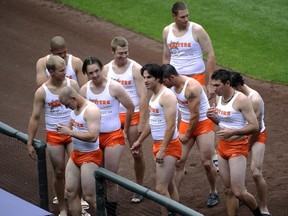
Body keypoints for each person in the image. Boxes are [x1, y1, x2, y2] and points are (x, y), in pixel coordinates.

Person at [81, 56, 134, 216]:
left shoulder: (114, 87)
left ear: (101, 69)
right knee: (99, 176)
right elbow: (79, 112)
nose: (95, 75)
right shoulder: (84, 90)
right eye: (91, 73)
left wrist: (124, 131)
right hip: (94, 138)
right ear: (86, 74)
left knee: (110, 177)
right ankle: (102, 208)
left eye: (97, 71)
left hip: (113, 136)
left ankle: (111, 213)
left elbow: (130, 107)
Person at [27, 55, 80, 216]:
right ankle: (63, 207)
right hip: (54, 135)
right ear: (51, 71)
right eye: (62, 70)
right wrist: (29, 142)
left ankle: (76, 203)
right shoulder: (42, 92)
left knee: (76, 168)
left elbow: (81, 108)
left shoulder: (72, 85)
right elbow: (35, 117)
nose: (66, 72)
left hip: (72, 133)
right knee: (58, 172)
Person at [161, 63, 219, 208]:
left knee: (206, 162)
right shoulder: (171, 88)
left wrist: (186, 135)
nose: (163, 84)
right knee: (179, 162)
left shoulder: (191, 87)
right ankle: (174, 199)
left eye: (164, 80)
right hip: (187, 123)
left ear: (172, 77)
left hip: (203, 122)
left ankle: (213, 191)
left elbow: (195, 115)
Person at [206, 69, 262, 216]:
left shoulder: (242, 100)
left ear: (227, 83)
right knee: (228, 190)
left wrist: (233, 133)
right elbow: (224, 123)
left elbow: (255, 126)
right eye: (213, 85)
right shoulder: (219, 98)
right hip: (222, 146)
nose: (214, 89)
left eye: (217, 85)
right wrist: (212, 118)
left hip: (237, 147)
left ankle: (258, 213)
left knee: (239, 191)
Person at [131, 63, 182, 216]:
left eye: (149, 77)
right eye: (144, 77)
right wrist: (140, 141)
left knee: (160, 189)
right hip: (159, 145)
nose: (145, 80)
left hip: (168, 146)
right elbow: (152, 121)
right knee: (170, 185)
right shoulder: (154, 95)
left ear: (158, 78)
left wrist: (162, 149)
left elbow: (171, 126)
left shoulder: (166, 96)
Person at [103, 36, 148, 203]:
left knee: (136, 152)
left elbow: (143, 96)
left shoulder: (136, 68)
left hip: (134, 113)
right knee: (106, 152)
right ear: (112, 51)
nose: (123, 56)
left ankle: (139, 187)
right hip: (114, 115)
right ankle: (106, 185)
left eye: (126, 52)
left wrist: (143, 121)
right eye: (120, 53)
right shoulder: (106, 70)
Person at [230, 72, 271, 216]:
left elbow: (257, 127)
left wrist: (246, 147)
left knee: (256, 173)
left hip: (256, 135)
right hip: (241, 134)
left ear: (239, 85)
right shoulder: (232, 96)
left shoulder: (254, 99)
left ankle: (264, 208)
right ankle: (242, 193)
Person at [57, 86, 102, 216]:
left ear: (73, 98)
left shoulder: (91, 110)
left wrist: (70, 132)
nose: (66, 108)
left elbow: (93, 137)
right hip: (76, 154)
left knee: (90, 197)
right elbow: (72, 126)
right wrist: (63, 129)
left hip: (90, 156)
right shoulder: (75, 109)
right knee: (69, 192)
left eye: (67, 104)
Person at [162, 1, 216, 99]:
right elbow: (166, 56)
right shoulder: (167, 31)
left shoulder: (197, 30)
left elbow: (210, 54)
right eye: (182, 17)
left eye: (187, 16)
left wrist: (211, 83)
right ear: (174, 16)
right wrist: (165, 78)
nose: (186, 19)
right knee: (176, 110)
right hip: (175, 79)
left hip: (196, 78)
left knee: (197, 110)